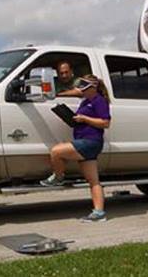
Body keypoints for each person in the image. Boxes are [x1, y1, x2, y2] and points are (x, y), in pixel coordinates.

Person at [40, 74, 112, 222]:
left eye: (84, 88)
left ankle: (58, 177)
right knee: (94, 181)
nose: (82, 91)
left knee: (56, 151)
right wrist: (56, 95)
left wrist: (84, 118)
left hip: (91, 141)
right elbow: (75, 92)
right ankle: (99, 213)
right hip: (85, 140)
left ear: (93, 88)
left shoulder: (99, 101)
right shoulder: (86, 100)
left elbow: (105, 122)